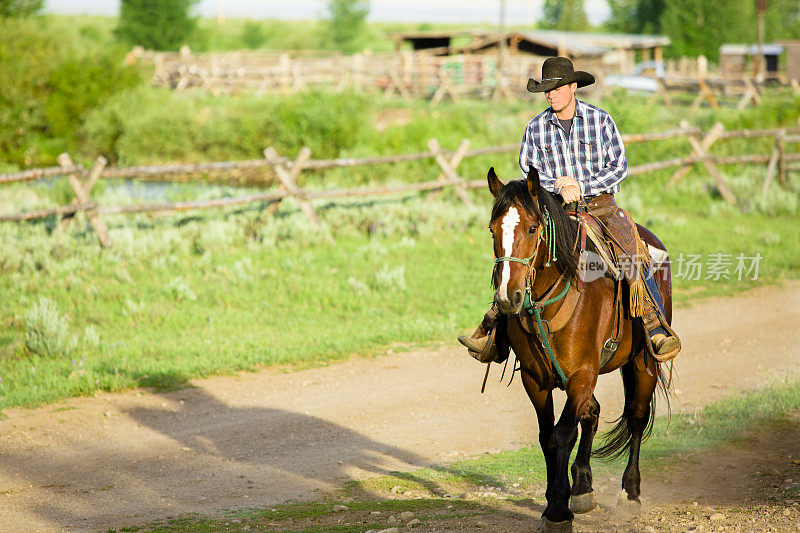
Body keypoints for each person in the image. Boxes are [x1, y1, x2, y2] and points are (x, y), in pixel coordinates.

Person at [458, 56, 680, 363]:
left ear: (573, 87)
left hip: (599, 206)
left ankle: (655, 325)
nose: (550, 94)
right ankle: (494, 328)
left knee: (631, 248)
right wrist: (560, 187)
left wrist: (581, 185)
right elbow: (529, 173)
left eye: (557, 88)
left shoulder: (600, 120)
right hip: (555, 208)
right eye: (546, 90)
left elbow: (619, 168)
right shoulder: (535, 128)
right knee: (519, 254)